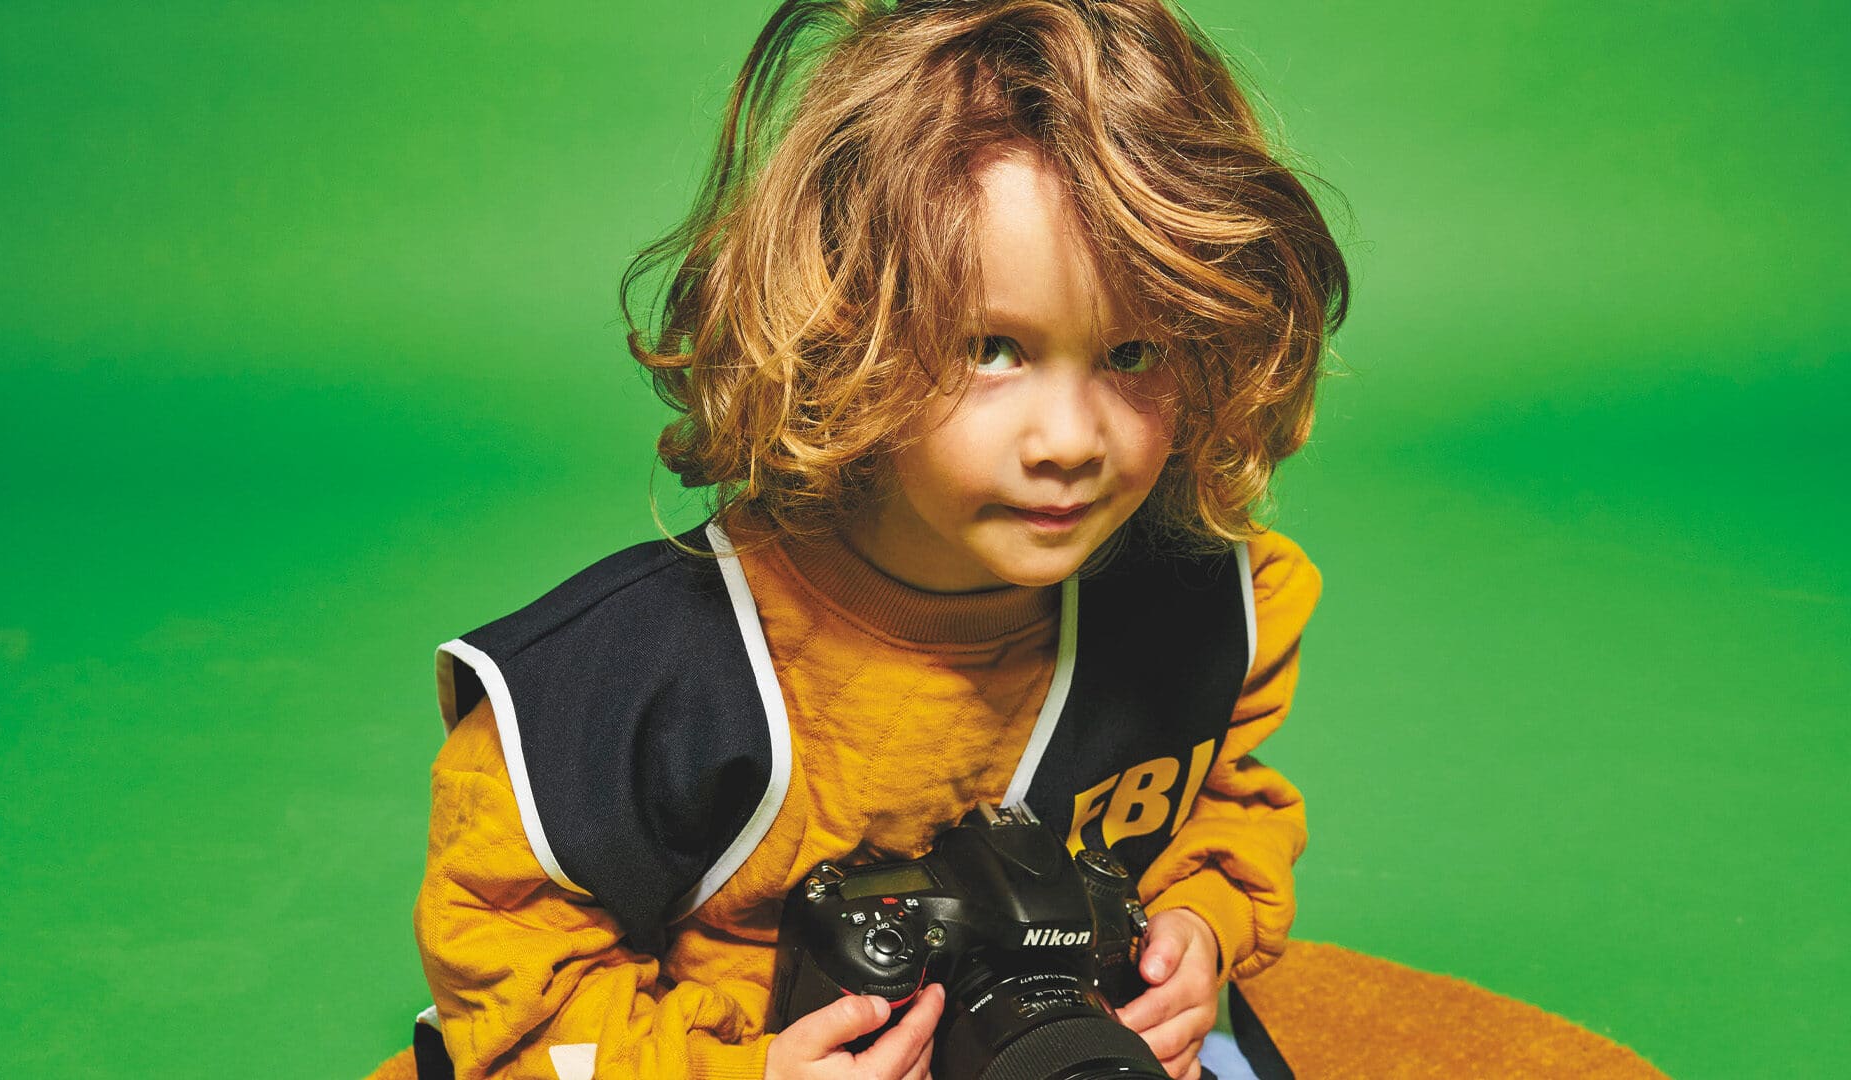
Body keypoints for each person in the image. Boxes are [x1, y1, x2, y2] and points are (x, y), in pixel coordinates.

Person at [413, 1, 1349, 1077]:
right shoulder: (629, 687)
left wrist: (1199, 926)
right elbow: (510, 973)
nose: (1070, 441)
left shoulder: (1208, 610)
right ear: (838, 329)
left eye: (1134, 354)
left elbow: (1223, 804)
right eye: (992, 348)